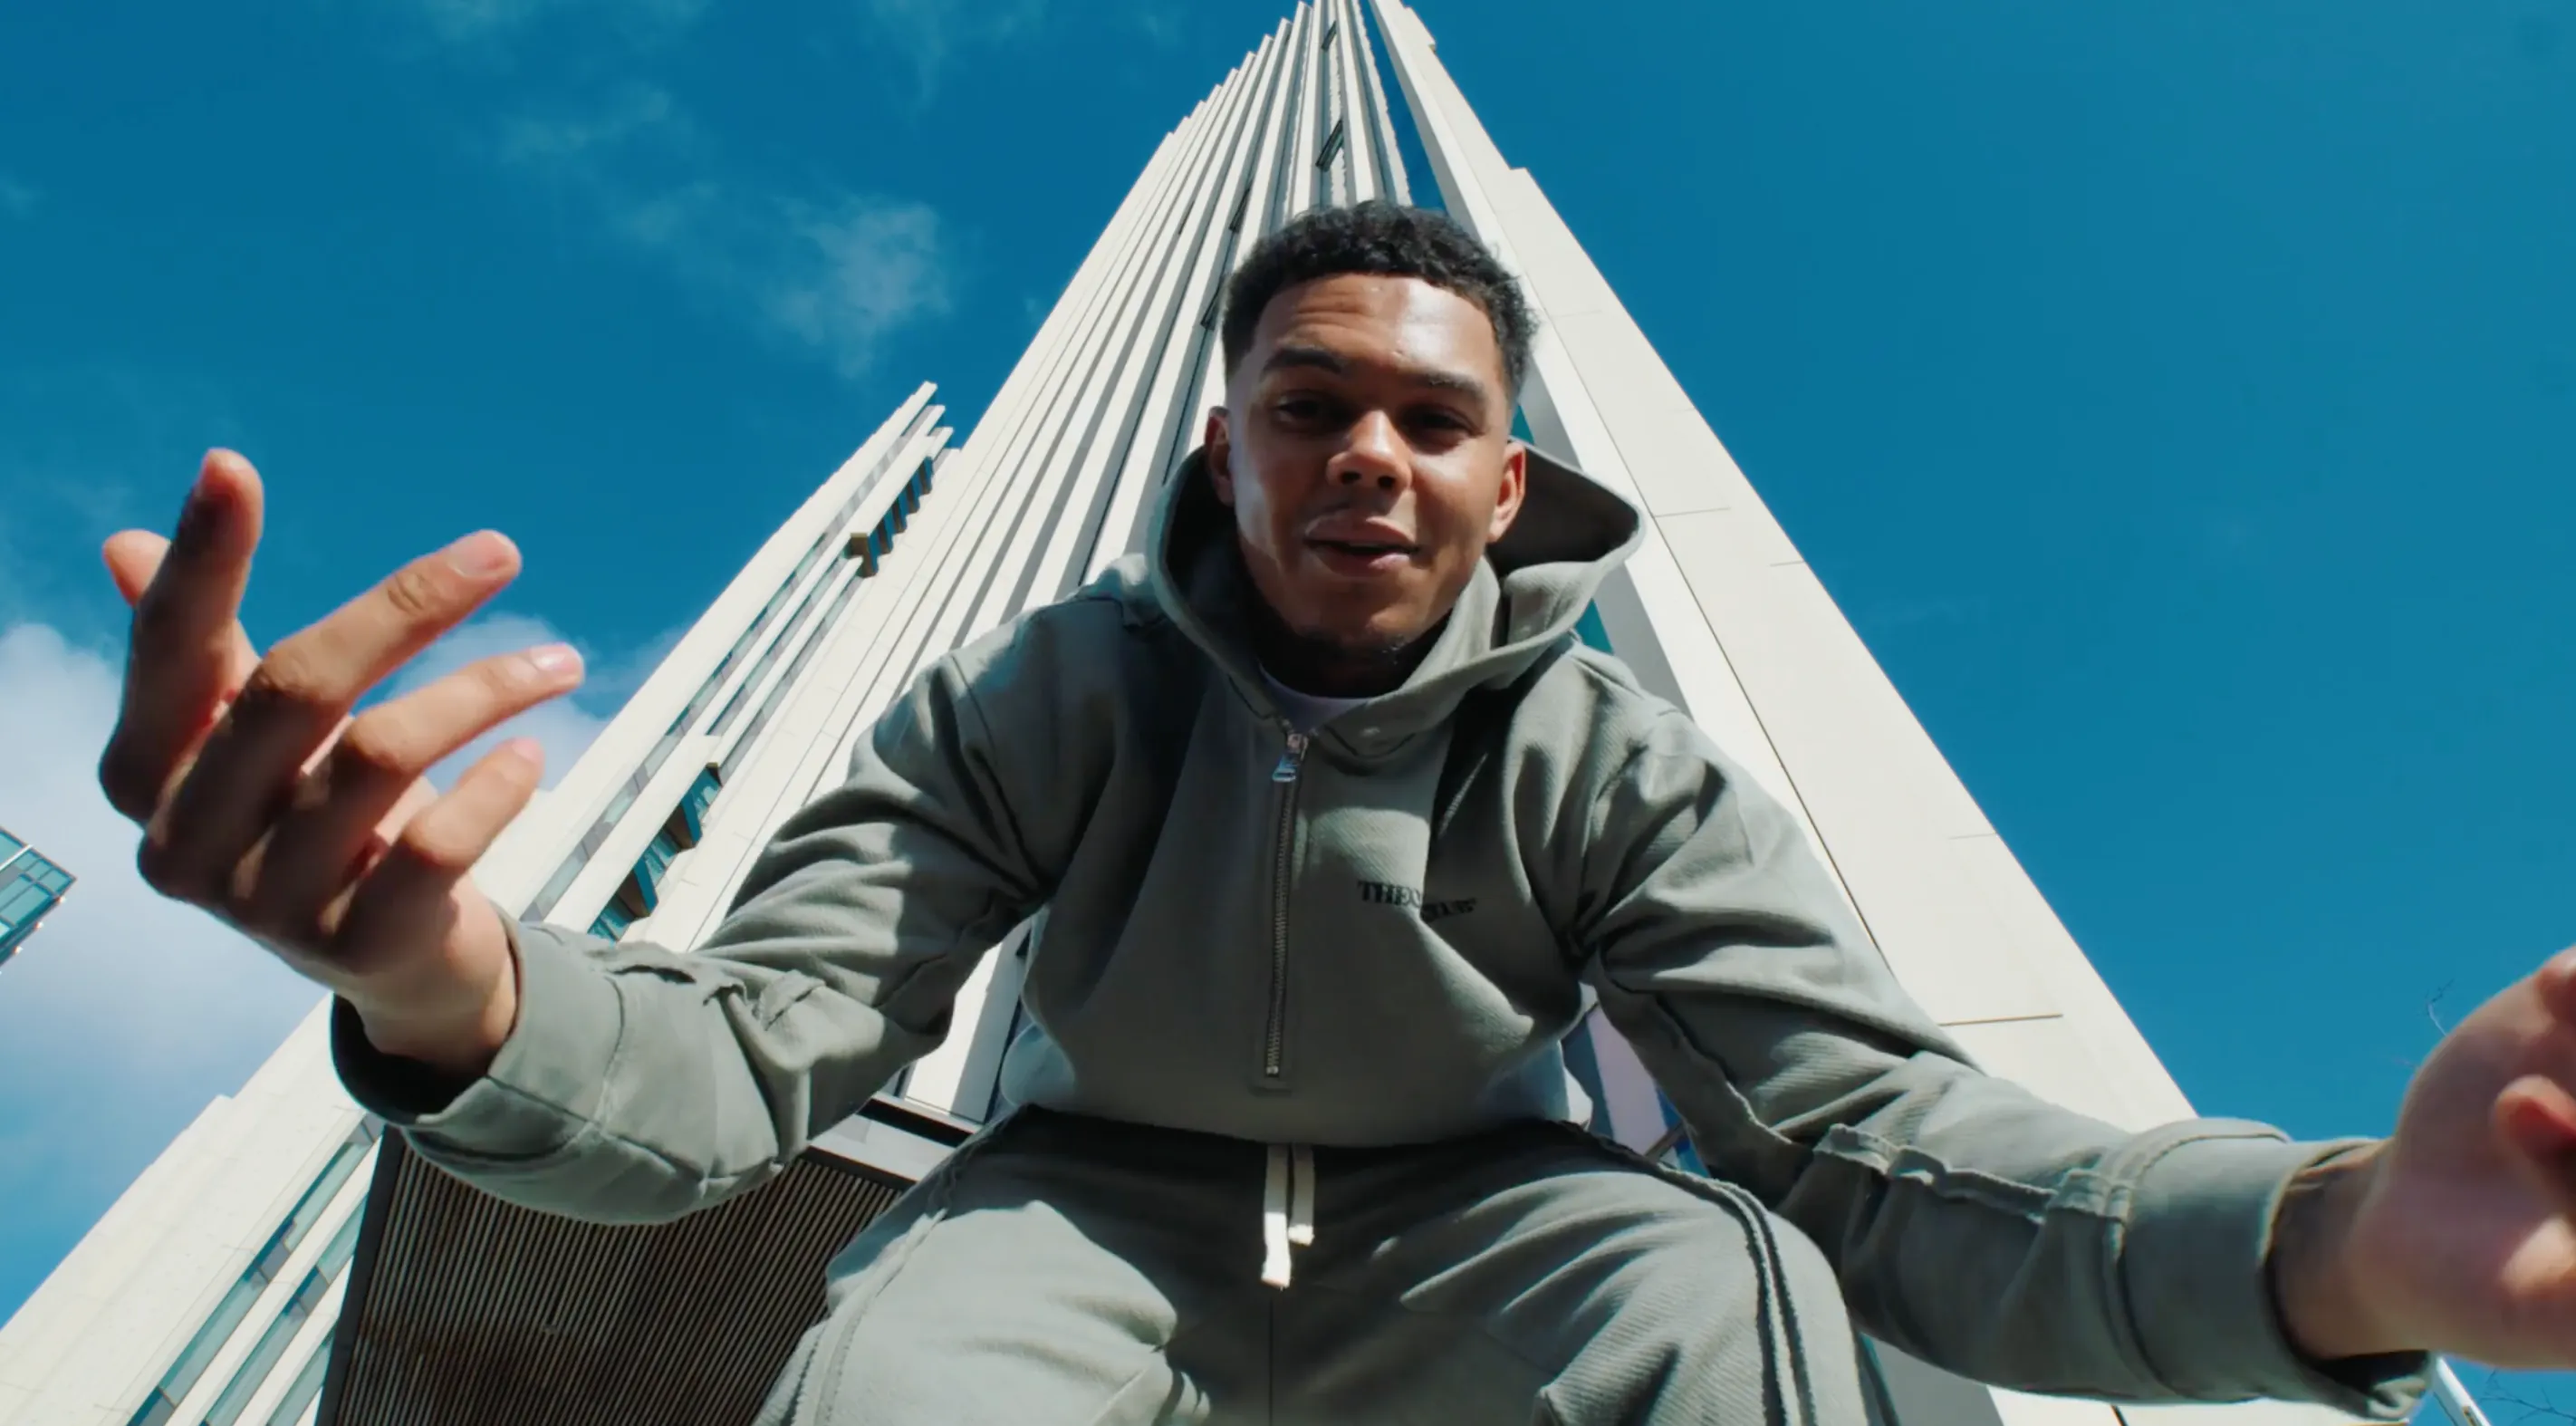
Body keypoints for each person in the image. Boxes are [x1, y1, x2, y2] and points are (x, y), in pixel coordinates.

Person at [98, 202, 2573, 1425]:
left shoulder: (1607, 760)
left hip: (1495, 1228)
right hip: (1079, 1212)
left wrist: (2337, 1238)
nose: (1363, 455)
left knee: (1722, 1279)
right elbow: (755, 1051)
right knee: (898, 1356)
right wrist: (444, 984)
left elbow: (1878, 1137)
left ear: (1511, 477)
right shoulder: (1044, 696)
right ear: (1223, 443)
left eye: (1422, 416)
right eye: (1306, 405)